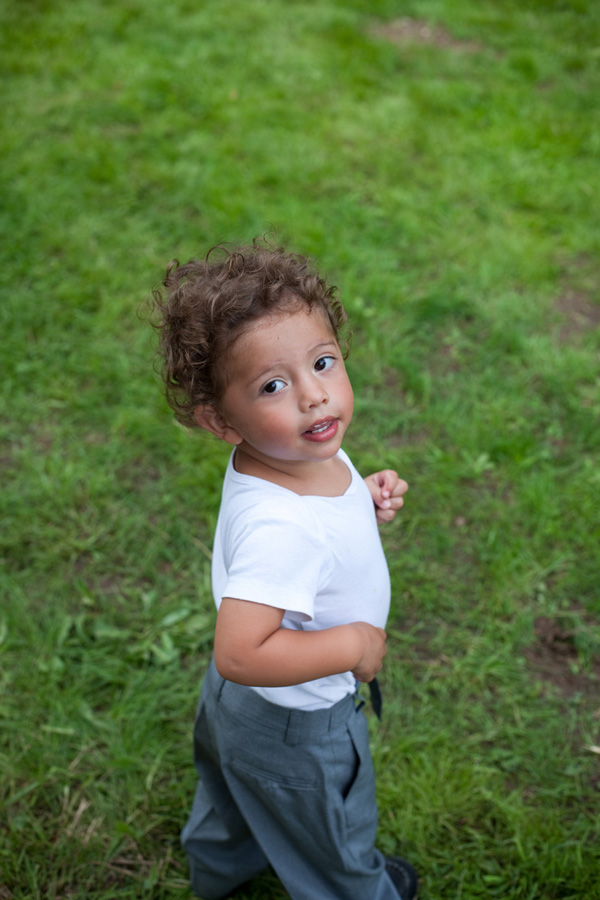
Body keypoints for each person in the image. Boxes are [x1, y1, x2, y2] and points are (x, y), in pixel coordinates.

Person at [151, 239, 418, 900]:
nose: (314, 398)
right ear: (220, 420)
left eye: (323, 363)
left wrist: (366, 496)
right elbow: (242, 651)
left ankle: (219, 872)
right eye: (273, 385)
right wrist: (353, 643)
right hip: (298, 721)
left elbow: (322, 520)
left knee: (233, 797)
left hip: (236, 708)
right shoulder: (283, 529)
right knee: (333, 833)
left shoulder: (289, 456)